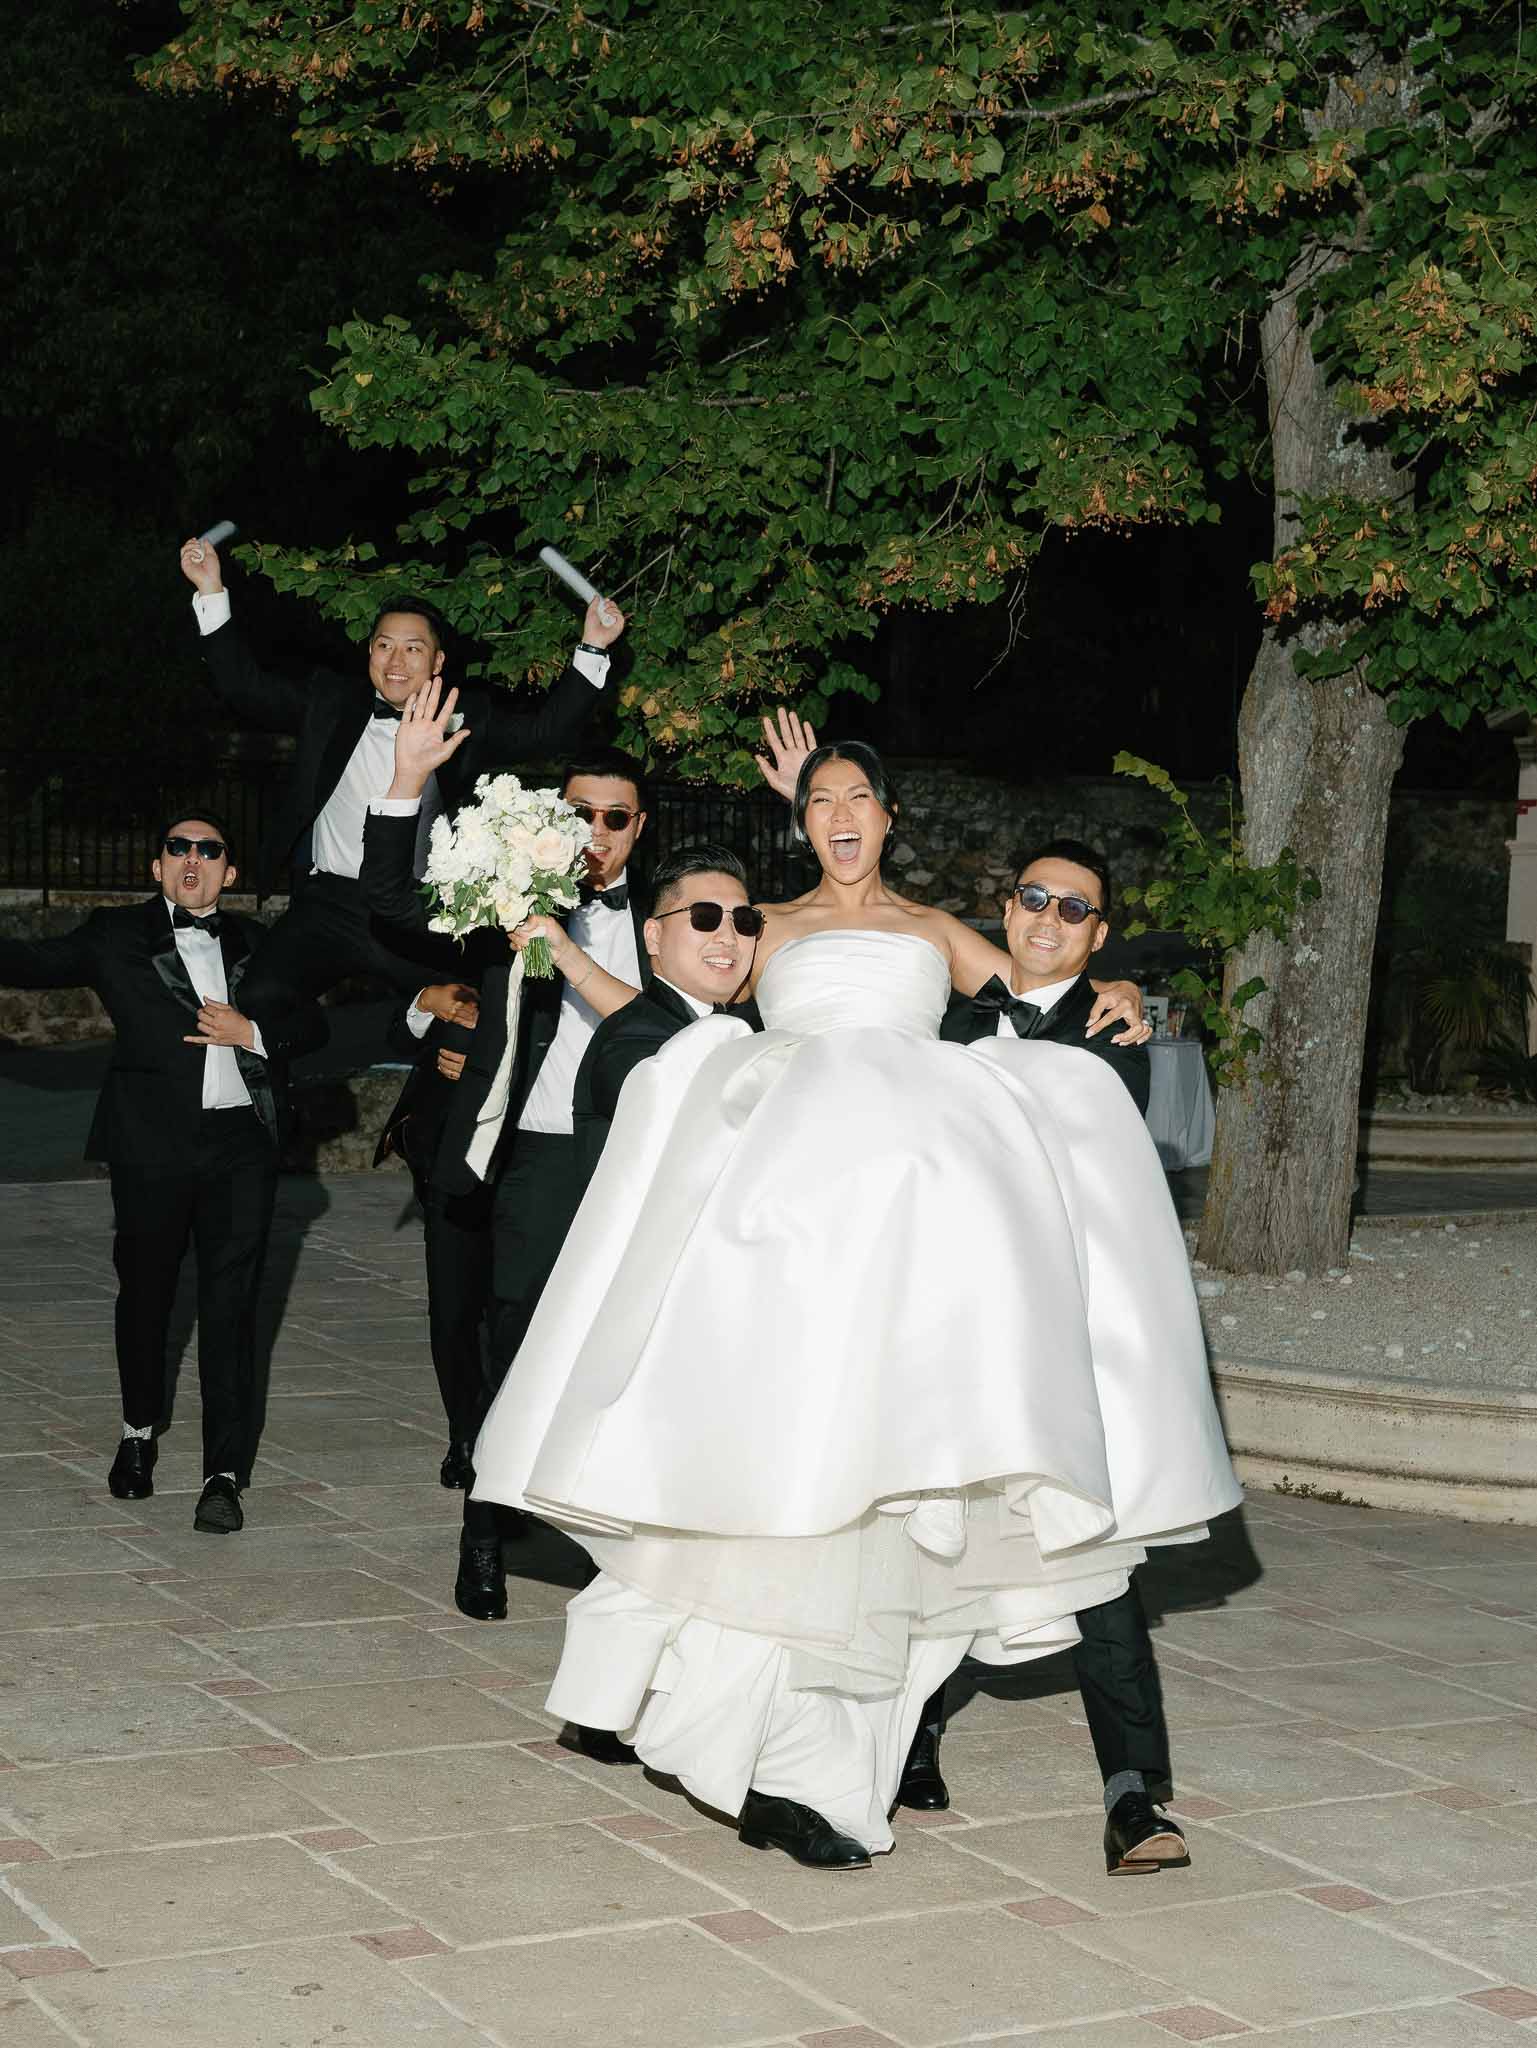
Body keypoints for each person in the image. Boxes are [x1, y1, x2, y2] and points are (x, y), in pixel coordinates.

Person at [470, 739, 1240, 1871]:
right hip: (800, 1220)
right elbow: (663, 1006)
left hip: (918, 1227)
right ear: (800, 816)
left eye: (857, 797)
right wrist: (542, 927)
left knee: (900, 1476)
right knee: (789, 1474)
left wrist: (1121, 984)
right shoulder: (762, 921)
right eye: (818, 797)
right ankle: (774, 1757)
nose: (838, 813)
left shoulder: (935, 927)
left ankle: (857, 1768)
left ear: (889, 816)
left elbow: (1036, 983)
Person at [920, 838, 1186, 1876]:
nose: (1047, 917)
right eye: (1033, 898)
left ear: (1097, 933)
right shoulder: (939, 1024)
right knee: (928, 1527)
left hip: (1055, 1330)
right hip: (943, 1322)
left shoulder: (1115, 1032)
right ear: (1004, 906)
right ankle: (907, 1737)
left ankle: (1133, 1794)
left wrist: (1121, 997)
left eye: (1072, 909)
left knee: (1085, 1546)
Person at [360, 683, 652, 1619]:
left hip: (639, 1160)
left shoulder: (670, 921)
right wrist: (406, 780)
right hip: (535, 1157)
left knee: (631, 1355)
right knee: (516, 1344)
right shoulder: (507, 904)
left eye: (615, 818)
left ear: (639, 829)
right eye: (581, 816)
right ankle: (483, 1535)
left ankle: (623, 1548)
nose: (597, 833)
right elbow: (393, 905)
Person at [0, 818, 324, 1530]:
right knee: (146, 1295)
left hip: (242, 1145)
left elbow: (313, 1026)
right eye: (179, 847)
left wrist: (256, 1035)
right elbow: (27, 961)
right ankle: (138, 1433)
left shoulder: (259, 945)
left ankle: (223, 1474)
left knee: (233, 1307)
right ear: (156, 866)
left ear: (228, 875)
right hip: (151, 1147)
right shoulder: (113, 935)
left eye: (210, 851)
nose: (193, 858)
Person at [177, 534, 622, 1002]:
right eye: (384, 645)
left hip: (417, 909)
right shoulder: (329, 703)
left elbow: (545, 733)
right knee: (258, 1000)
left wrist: (593, 646)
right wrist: (210, 590)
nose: (395, 660)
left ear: (437, 661)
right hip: (326, 903)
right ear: (369, 653)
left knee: (467, 1017)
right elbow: (244, 688)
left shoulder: (465, 717)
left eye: (413, 648)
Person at [374, 974, 496, 1489]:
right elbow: (392, 1035)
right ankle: (465, 1434)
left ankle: (507, 1435)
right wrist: (424, 1001)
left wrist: (494, 1062)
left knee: (514, 1305)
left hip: (537, 1142)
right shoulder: (452, 912)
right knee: (452, 1305)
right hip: (445, 1143)